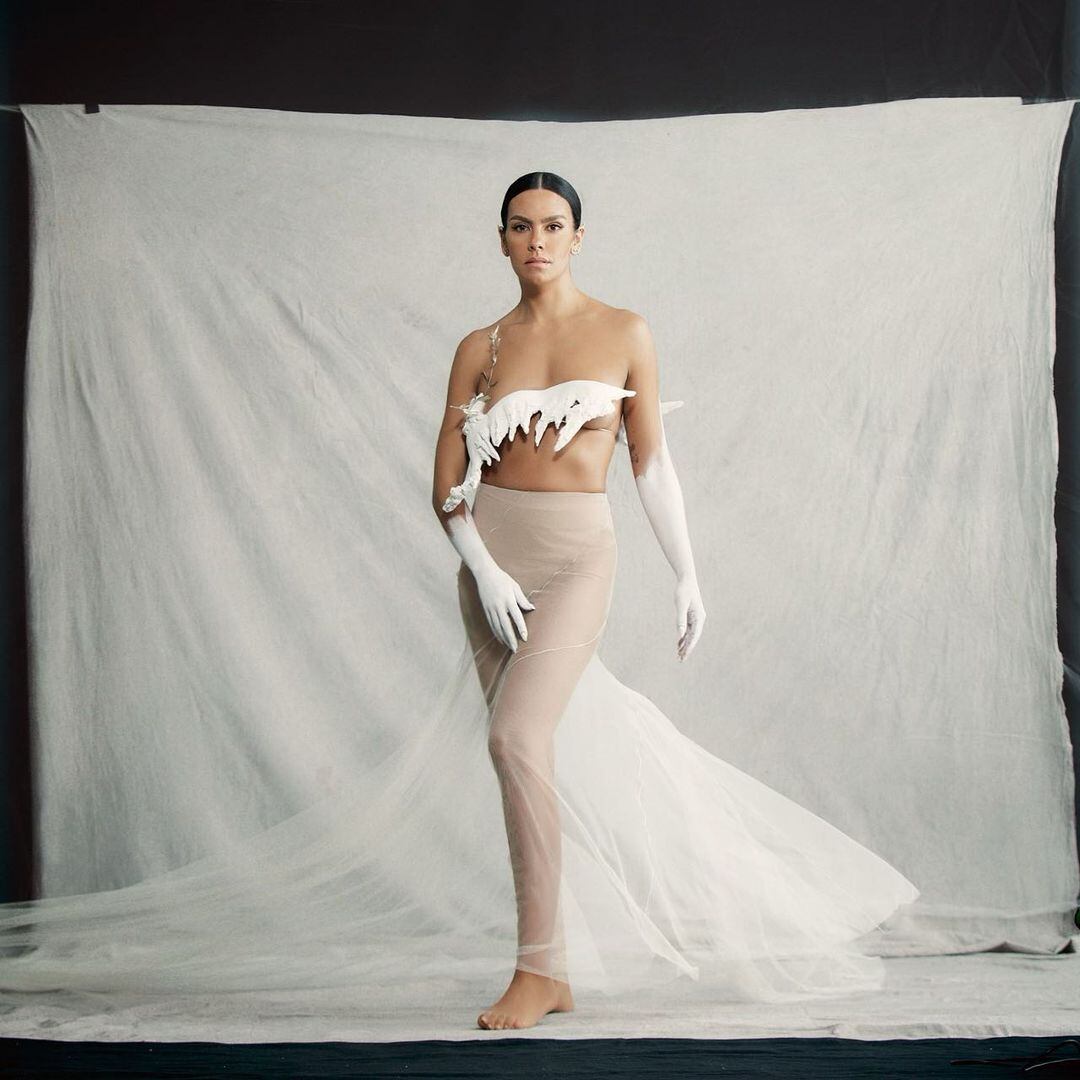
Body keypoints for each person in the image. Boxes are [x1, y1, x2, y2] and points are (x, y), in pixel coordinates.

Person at [431, 172, 918, 1031]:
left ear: (579, 236)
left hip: (577, 557)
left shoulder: (624, 332)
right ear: (501, 240)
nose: (536, 240)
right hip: (490, 574)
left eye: (553, 225)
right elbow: (446, 482)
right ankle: (550, 967)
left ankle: (537, 970)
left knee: (517, 736)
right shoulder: (480, 346)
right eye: (519, 227)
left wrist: (688, 574)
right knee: (521, 761)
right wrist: (482, 564)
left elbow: (651, 464)